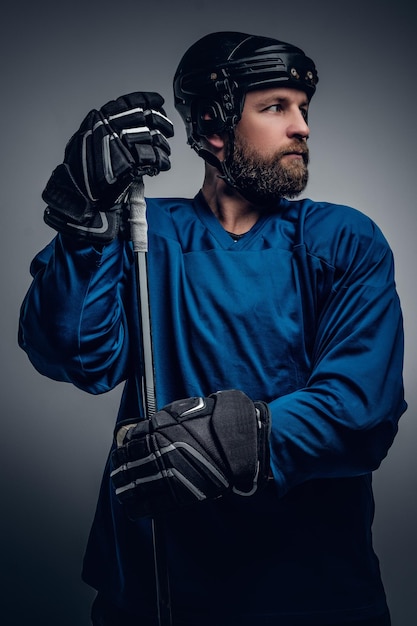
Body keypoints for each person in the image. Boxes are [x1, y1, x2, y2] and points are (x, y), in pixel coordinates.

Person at [18, 31, 407, 626]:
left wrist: (235, 438)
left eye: (304, 108)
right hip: (155, 590)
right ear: (214, 123)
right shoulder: (144, 233)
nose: (301, 126)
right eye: (276, 107)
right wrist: (84, 221)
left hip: (314, 592)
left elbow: (363, 407)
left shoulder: (344, 240)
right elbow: (76, 356)